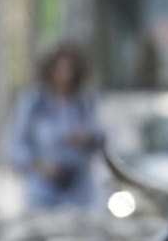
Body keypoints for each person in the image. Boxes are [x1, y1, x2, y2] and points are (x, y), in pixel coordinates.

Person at [10, 43, 103, 209]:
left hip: (80, 194)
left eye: (70, 70)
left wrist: (87, 138)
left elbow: (104, 139)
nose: (65, 76)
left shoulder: (85, 103)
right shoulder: (34, 103)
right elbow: (14, 147)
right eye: (61, 69)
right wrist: (40, 164)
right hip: (42, 194)